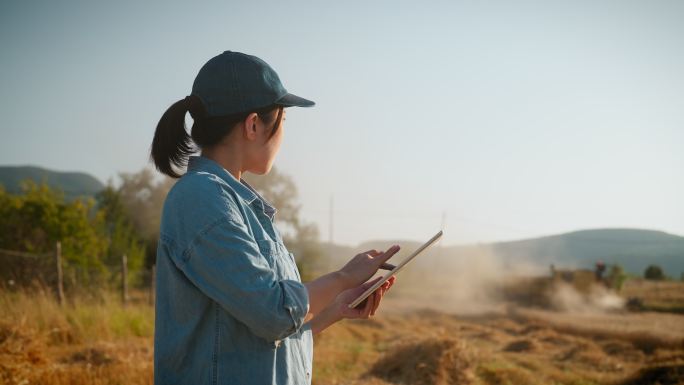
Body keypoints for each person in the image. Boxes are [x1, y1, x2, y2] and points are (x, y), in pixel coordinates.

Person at [150, 51, 400, 385]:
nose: (284, 134)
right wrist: (342, 277)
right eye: (283, 120)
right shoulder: (202, 199)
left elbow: (260, 333)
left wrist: (335, 307)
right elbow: (275, 313)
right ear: (253, 125)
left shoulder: (234, 202)